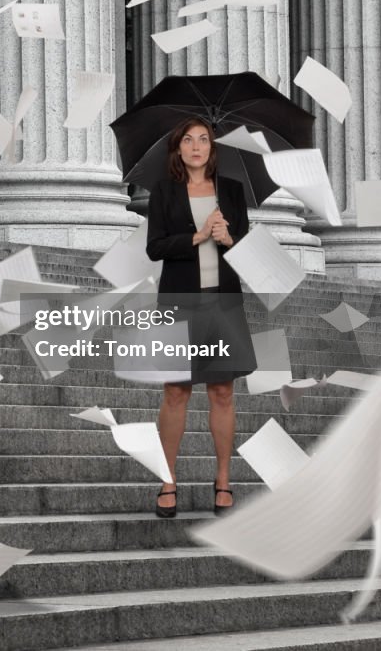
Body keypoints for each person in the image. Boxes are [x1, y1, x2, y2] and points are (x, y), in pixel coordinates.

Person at [145, 117, 256, 518]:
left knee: (222, 392)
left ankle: (223, 481)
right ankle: (168, 479)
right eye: (188, 140)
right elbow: (154, 248)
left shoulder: (231, 191)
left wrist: (229, 239)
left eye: (203, 139)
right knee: (176, 391)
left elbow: (246, 251)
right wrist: (197, 236)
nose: (196, 146)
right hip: (179, 301)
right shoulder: (165, 192)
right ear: (178, 149)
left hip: (222, 302)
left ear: (213, 147)